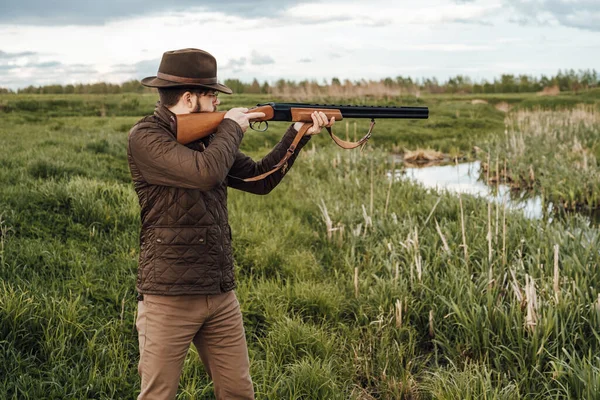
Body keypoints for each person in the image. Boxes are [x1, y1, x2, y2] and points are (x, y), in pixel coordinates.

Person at [127, 48, 334, 399]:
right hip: (168, 296)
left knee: (239, 392)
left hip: (220, 293)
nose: (216, 103)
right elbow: (205, 173)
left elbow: (260, 179)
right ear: (190, 97)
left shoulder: (209, 138)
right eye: (212, 96)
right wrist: (232, 128)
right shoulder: (146, 137)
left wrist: (298, 133)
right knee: (158, 395)